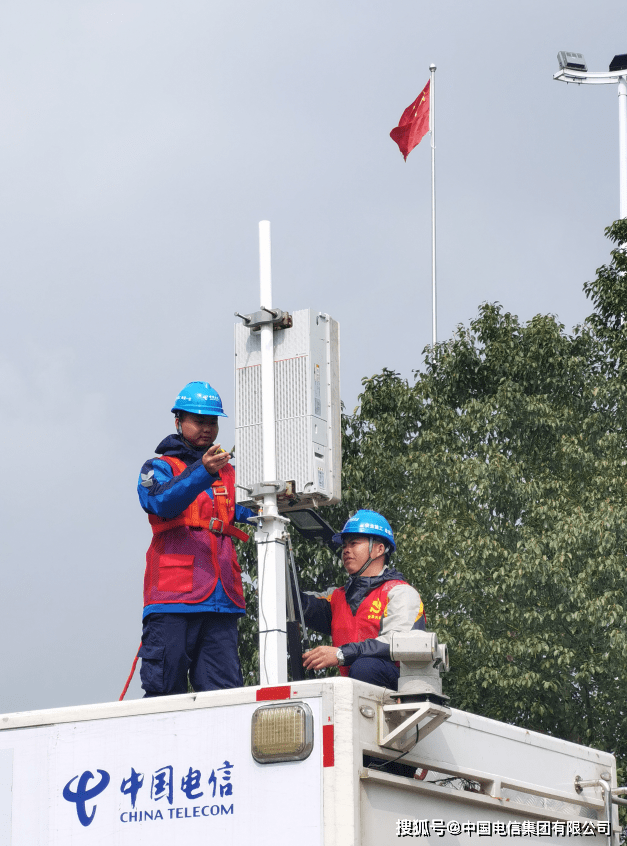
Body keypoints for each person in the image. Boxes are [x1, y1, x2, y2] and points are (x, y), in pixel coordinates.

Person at [136, 381, 255, 696]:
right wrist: (202, 471)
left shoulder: (228, 473)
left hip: (221, 600)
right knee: (164, 691)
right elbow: (160, 502)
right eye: (199, 421)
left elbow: (256, 509)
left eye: (212, 421)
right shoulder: (158, 467)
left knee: (224, 696)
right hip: (174, 599)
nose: (207, 428)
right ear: (179, 421)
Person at [301, 509, 426, 690]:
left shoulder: (400, 592)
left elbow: (397, 641)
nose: (346, 550)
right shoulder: (338, 597)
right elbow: (301, 604)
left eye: (354, 543)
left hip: (401, 689)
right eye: (344, 545)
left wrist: (341, 653)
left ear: (379, 549)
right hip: (356, 688)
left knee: (365, 667)